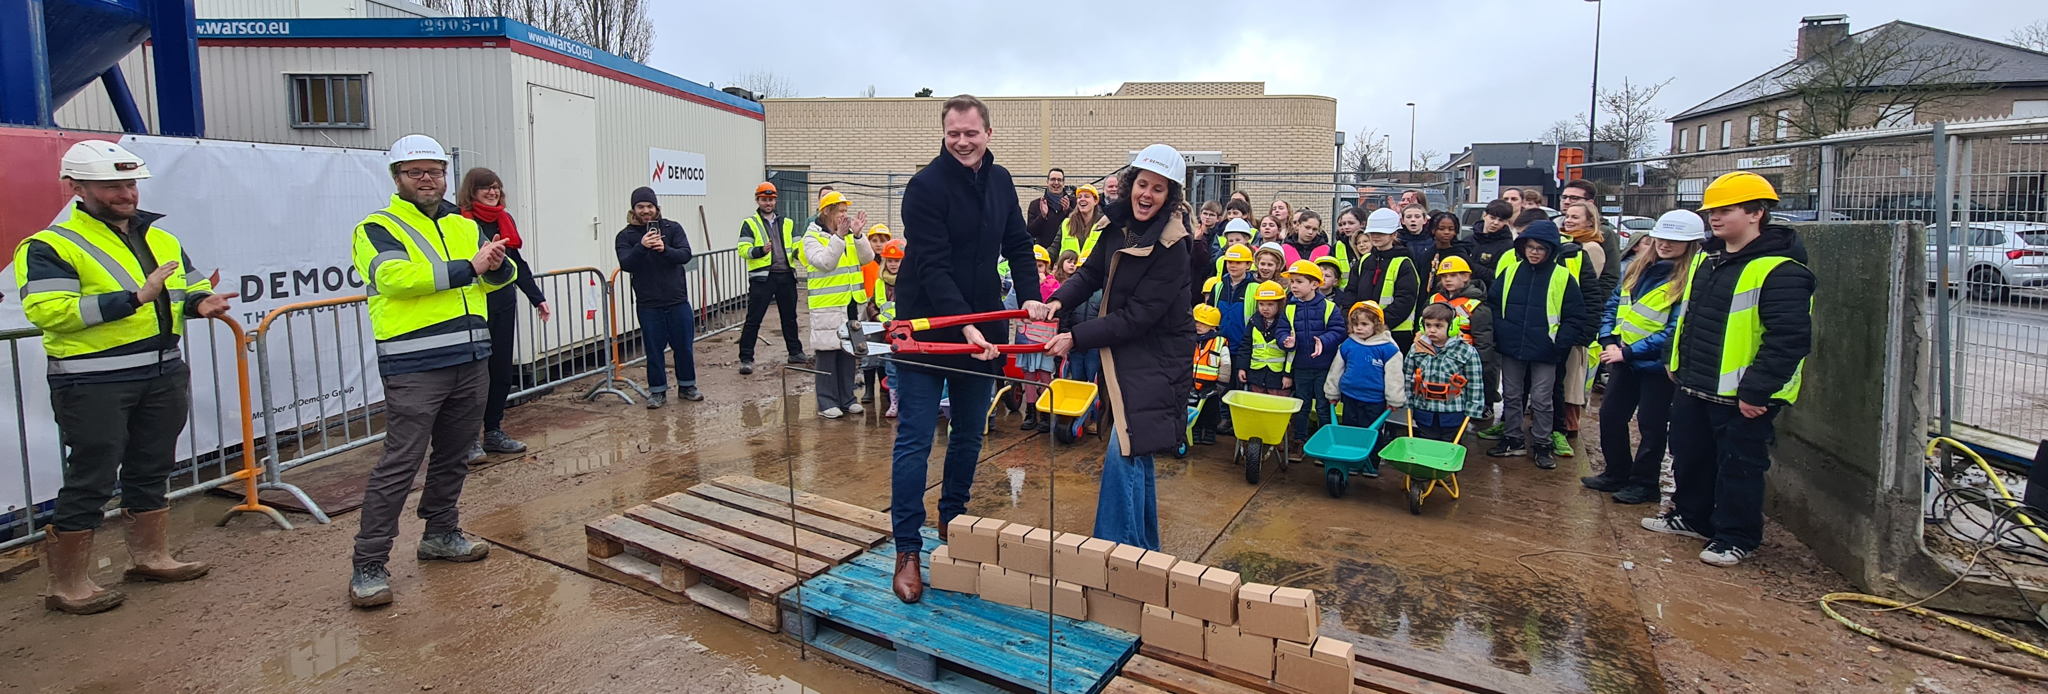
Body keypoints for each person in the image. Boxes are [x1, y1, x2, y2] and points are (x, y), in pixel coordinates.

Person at [15, 140, 233, 614]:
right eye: (111, 185)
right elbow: (48, 310)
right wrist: (133, 299)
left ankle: (150, 557)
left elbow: (188, 286)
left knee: (152, 465)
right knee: (92, 476)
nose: (125, 193)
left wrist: (200, 302)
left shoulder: (161, 237)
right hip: (91, 381)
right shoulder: (51, 245)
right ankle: (67, 584)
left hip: (160, 372)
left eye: (129, 183)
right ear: (76, 188)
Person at [349, 134, 516, 608]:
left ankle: (440, 533)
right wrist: (471, 267)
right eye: (416, 172)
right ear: (397, 178)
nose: (428, 179)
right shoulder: (376, 227)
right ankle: (368, 563)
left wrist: (499, 266)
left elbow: (496, 277)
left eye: (435, 171)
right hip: (414, 364)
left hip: (470, 357)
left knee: (455, 454)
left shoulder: (464, 225)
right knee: (400, 463)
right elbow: (394, 279)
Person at [891, 95, 1041, 602]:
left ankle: (952, 521)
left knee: (970, 432)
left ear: (988, 134)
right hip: (927, 327)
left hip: (981, 327)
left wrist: (1035, 300)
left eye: (970, 133)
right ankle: (906, 548)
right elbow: (931, 266)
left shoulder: (1000, 182)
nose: (961, 141)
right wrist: (964, 329)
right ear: (944, 132)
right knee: (914, 439)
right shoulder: (924, 187)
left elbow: (1019, 245)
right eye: (953, 132)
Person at [1642, 173, 1813, 567]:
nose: (1714, 218)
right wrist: (1675, 360)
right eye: (1711, 211)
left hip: (1741, 395)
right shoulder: (1708, 259)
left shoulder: (1781, 271)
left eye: (1725, 210)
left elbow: (1788, 338)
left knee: (1739, 466)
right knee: (1690, 455)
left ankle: (1736, 536)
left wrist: (1757, 390)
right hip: (1696, 383)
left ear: (1756, 213)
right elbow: (1690, 316)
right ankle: (1692, 516)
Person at [1030, 143, 1194, 552]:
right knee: (1135, 449)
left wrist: (1076, 336)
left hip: (1157, 356)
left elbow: (1139, 317)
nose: (1147, 194)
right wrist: (1058, 301)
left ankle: (1114, 553)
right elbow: (1089, 274)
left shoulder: (1173, 246)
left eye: (1158, 189)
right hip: (1125, 350)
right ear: (1130, 184)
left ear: (1170, 196)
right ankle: (1141, 552)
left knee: (1126, 447)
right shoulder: (1115, 225)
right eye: (1142, 184)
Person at [1584, 210, 1703, 505]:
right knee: (1611, 416)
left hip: (1656, 367)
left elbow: (1675, 330)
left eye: (1674, 240)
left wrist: (1626, 352)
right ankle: (1616, 473)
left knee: (1651, 425)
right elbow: (1615, 304)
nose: (1665, 244)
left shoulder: (1688, 279)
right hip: (1624, 357)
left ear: (1689, 244)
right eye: (1662, 238)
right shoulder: (1638, 268)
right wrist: (1609, 338)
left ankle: (1645, 483)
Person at [456, 169, 550, 457]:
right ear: (472, 191)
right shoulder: (460, 222)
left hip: (503, 303)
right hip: (474, 307)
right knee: (474, 374)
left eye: (496, 188)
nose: (492, 192)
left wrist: (537, 298)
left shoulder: (504, 220)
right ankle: (467, 439)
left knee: (500, 371)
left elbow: (517, 263)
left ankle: (493, 430)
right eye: (486, 188)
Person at [1483, 220, 1589, 471]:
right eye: (1530, 247)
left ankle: (1542, 443)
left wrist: (1560, 343)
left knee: (1542, 399)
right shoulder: (1510, 272)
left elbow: (1575, 315)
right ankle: (1513, 438)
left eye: (1540, 248)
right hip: (1512, 345)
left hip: (1546, 349)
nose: (1534, 252)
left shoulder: (1562, 276)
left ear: (1550, 250)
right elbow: (1494, 304)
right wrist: (1501, 332)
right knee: (1511, 395)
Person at [615, 187, 700, 408]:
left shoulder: (672, 228)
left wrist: (665, 249)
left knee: (683, 347)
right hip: (648, 303)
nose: (646, 211)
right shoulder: (625, 236)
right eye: (641, 207)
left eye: (649, 206)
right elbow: (626, 264)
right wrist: (641, 247)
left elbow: (685, 254)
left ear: (656, 208)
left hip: (677, 300)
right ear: (633, 209)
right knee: (653, 350)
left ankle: (688, 386)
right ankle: (657, 392)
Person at [800, 191, 874, 418]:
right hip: (827, 305)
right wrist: (840, 237)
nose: (844, 215)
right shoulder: (811, 237)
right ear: (826, 212)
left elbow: (867, 258)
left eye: (845, 211)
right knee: (828, 353)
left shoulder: (849, 234)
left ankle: (847, 398)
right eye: (840, 211)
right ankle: (826, 402)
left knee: (848, 353)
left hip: (850, 303)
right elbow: (825, 262)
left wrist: (859, 236)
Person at [1550, 199, 1613, 456]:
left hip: (1576, 322)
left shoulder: (1590, 248)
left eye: (1576, 217)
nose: (1569, 220)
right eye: (1568, 216)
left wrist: (1584, 328)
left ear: (1590, 221)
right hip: (1564, 320)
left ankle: (1568, 425)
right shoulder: (1569, 245)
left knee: (1572, 377)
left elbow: (1589, 289)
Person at [1321, 301, 1404, 476]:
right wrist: (1332, 391)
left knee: (1371, 433)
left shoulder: (1388, 348)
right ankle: (1351, 461)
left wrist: (1394, 399)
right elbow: (1336, 370)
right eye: (1355, 324)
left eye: (1365, 324)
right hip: (1350, 395)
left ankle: (1371, 463)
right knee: (1350, 429)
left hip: (1374, 399)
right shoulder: (1348, 345)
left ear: (1377, 325)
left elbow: (1394, 376)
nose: (1359, 328)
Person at [736, 182, 807, 374]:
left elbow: (797, 245)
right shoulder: (750, 223)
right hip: (763, 278)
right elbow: (743, 250)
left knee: (789, 317)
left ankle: (795, 352)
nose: (768, 203)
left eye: (771, 199)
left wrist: (803, 254)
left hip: (785, 275)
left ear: (775, 200)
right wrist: (760, 250)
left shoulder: (788, 223)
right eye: (764, 199)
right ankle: (746, 358)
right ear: (758, 200)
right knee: (754, 318)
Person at [1280, 260, 1342, 446]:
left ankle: (1324, 444)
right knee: (1302, 406)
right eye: (1292, 282)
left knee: (1323, 407)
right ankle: (1300, 441)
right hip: (1300, 367)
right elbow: (1282, 329)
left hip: (1324, 367)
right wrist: (1286, 340)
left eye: (1299, 281)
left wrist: (1324, 340)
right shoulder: (1290, 307)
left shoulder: (1329, 307)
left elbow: (1339, 330)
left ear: (1315, 284)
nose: (1294, 286)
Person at [1405, 303, 1488, 441]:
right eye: (1428, 325)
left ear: (1452, 327)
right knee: (1425, 445)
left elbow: (1475, 382)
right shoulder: (1417, 348)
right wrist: (1407, 399)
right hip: (1424, 410)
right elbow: (1407, 375)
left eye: (1438, 326)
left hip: (1453, 412)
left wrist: (1474, 407)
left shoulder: (1466, 351)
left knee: (1450, 447)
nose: (1431, 330)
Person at [1430, 257, 1496, 429]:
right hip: (1434, 359)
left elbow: (1484, 340)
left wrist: (1480, 368)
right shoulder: (1433, 299)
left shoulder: (1476, 305)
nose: (1448, 280)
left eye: (1453, 275)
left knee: (1459, 403)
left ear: (1466, 277)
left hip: (1463, 362)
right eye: (1444, 276)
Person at [1349, 208, 1421, 350]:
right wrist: (1354, 321)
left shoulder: (1404, 263)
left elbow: (1405, 300)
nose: (1375, 236)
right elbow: (1351, 292)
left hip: (1395, 334)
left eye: (1381, 233)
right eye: (1373, 232)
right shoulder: (1365, 261)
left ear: (1393, 234)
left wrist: (1376, 324)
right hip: (1362, 332)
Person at [1016, 246, 1059, 432]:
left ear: (1047, 268)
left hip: (1044, 340)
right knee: (1028, 374)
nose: (1036, 270)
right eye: (1033, 266)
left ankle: (1046, 413)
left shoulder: (1054, 286)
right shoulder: (1019, 286)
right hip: (1026, 339)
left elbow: (1054, 305)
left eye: (1040, 266)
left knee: (1044, 374)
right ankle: (1031, 411)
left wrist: (1042, 286)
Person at [1236, 281, 1292, 396]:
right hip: (1256, 374)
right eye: (1261, 304)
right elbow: (1246, 346)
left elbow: (1291, 354)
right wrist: (1242, 368)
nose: (1265, 308)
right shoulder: (1253, 321)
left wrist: (1288, 375)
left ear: (1280, 304)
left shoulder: (1286, 323)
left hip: (1278, 377)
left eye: (1270, 304)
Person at [872, 238, 907, 418]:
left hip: (907, 333)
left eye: (897, 261)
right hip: (888, 334)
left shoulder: (908, 281)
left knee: (907, 368)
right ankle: (894, 404)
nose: (893, 265)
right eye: (890, 261)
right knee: (891, 368)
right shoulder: (880, 283)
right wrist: (878, 317)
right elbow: (873, 306)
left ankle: (906, 402)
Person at [1206, 243, 1258, 359]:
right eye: (1230, 262)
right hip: (1218, 348)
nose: (1233, 266)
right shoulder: (1218, 286)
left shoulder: (1256, 288)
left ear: (1248, 265)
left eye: (1238, 262)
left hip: (1244, 349)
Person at [1190, 304, 1231, 445]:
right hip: (1191, 383)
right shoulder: (1189, 339)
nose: (1198, 326)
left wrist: (1221, 384)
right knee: (1192, 408)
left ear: (1213, 326)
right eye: (1196, 322)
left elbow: (1225, 365)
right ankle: (1194, 430)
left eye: (1203, 323)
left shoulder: (1219, 342)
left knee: (1211, 410)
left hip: (1211, 384)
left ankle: (1210, 432)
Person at [1418, 211, 1473, 293]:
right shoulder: (1428, 254)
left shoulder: (1460, 255)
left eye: (1451, 229)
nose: (1446, 232)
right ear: (1433, 230)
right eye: (1441, 229)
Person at [1469, 199, 1517, 289]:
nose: (1495, 223)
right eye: (1492, 218)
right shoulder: (1468, 241)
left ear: (1506, 222)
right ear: (1484, 215)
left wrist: (1472, 266)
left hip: (1488, 294)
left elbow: (1500, 276)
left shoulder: (1508, 247)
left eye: (1501, 220)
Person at [1060, 184, 1108, 264]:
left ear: (1095, 201)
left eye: (1086, 196)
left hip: (1093, 273)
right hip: (1068, 274)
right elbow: (1055, 248)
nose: (1082, 199)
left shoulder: (1103, 224)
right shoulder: (1066, 223)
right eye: (1079, 197)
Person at [1027, 167, 1074, 248]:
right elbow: (1030, 232)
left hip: (1067, 254)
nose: (1056, 183)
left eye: (1059, 180)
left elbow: (1081, 227)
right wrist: (1042, 216)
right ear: (1047, 182)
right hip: (1044, 255)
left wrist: (1068, 211)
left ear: (1063, 183)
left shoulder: (1073, 202)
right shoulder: (1035, 204)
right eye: (1053, 179)